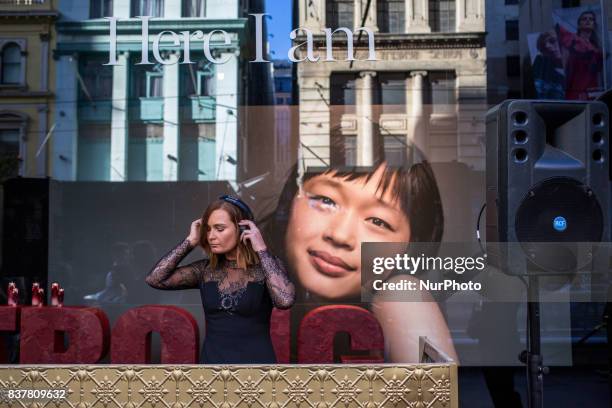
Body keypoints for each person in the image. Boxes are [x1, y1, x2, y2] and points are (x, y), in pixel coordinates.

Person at [264, 158, 458, 363]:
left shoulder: (401, 297)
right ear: (289, 203)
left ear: (408, 248)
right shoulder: (248, 276)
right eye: (326, 200)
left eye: (378, 221)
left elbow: (436, 391)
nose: (340, 235)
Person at [146, 195, 295, 364]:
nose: (211, 236)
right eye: (208, 229)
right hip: (212, 369)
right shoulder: (205, 270)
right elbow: (155, 279)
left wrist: (261, 249)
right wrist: (190, 241)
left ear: (242, 229)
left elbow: (284, 301)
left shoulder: (268, 267)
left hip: (256, 370)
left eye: (219, 228)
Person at [556, 10, 603, 100]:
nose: (588, 21)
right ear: (579, 24)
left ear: (594, 24)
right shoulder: (571, 41)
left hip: (592, 91)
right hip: (574, 89)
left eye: (591, 19)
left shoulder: (597, 48)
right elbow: (564, 65)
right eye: (584, 19)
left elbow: (598, 74)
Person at [532, 31, 565, 100]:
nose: (547, 46)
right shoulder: (541, 69)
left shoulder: (579, 66)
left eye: (552, 41)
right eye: (543, 46)